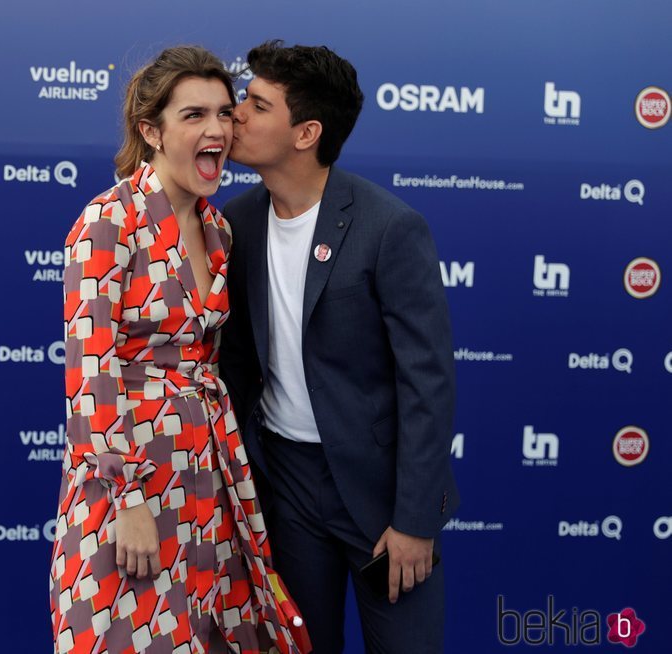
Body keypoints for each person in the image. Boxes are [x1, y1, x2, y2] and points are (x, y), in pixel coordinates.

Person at [49, 46, 310, 654]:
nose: (216, 129)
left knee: (215, 634)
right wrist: (127, 500)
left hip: (209, 475)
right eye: (193, 115)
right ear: (152, 131)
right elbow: (91, 369)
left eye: (224, 113)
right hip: (129, 482)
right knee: (124, 635)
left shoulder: (219, 229)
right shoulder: (109, 220)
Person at [219, 40, 460, 654]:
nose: (235, 114)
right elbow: (236, 364)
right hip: (287, 484)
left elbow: (426, 383)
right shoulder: (235, 222)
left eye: (256, 104)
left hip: (380, 494)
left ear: (306, 133)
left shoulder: (389, 228)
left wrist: (413, 520)